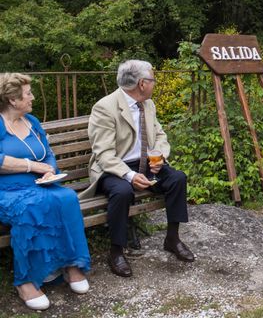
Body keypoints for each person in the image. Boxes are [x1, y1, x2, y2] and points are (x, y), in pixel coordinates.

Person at [80, 60, 194, 278]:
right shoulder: (105, 107)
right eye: (152, 80)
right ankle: (116, 251)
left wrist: (160, 157)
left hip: (147, 163)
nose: (155, 83)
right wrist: (130, 176)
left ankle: (172, 238)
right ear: (142, 83)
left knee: (177, 178)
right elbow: (103, 154)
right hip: (113, 167)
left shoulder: (147, 104)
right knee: (122, 191)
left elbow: (160, 135)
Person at [0, 73, 90, 311]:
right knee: (31, 207)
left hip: (40, 184)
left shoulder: (32, 121)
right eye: (28, 93)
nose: (33, 97)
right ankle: (26, 280)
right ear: (12, 99)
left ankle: (70, 265)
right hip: (7, 190)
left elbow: (47, 152)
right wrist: (32, 166)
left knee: (67, 198)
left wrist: (50, 170)